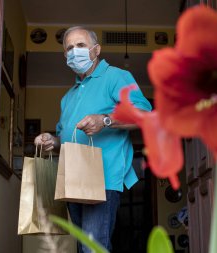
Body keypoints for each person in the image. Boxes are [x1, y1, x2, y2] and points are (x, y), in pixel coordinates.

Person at [34, 26, 152, 253]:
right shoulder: (68, 97)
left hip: (104, 178)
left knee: (92, 248)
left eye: (80, 45)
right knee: (83, 247)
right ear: (64, 56)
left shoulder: (115, 76)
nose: (74, 52)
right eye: (69, 48)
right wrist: (52, 140)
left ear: (96, 50)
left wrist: (105, 120)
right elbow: (65, 136)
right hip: (73, 177)